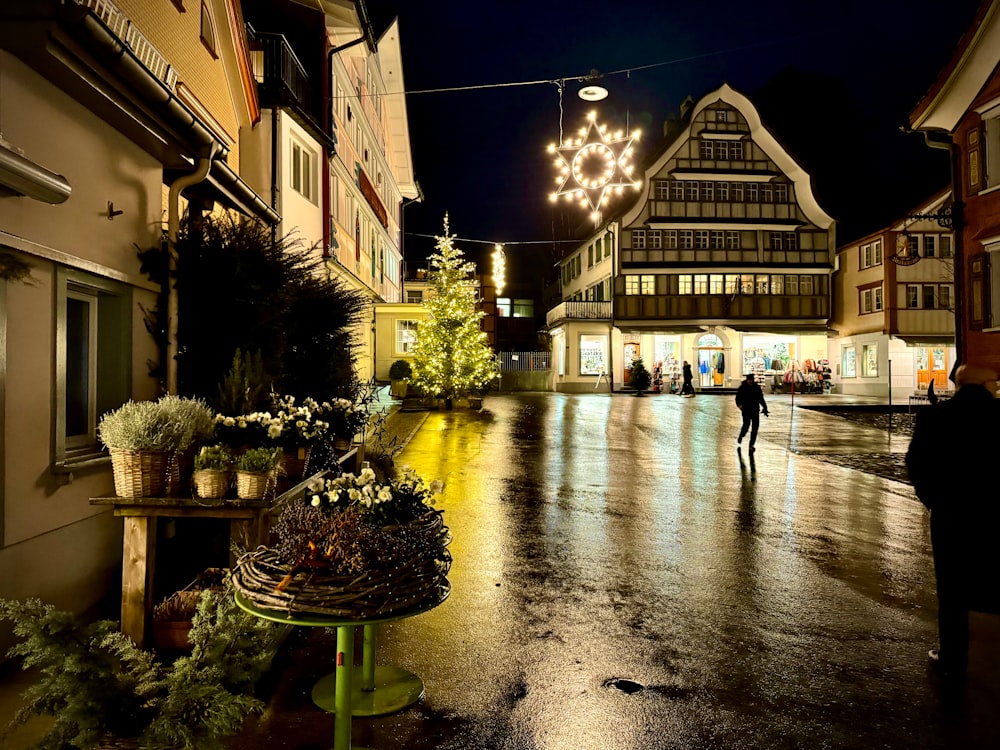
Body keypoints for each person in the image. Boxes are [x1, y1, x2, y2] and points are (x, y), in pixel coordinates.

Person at [906, 362, 1000, 678]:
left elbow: (916, 465)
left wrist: (935, 502)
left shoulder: (934, 417)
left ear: (958, 386)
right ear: (987, 385)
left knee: (951, 587)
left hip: (951, 515)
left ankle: (952, 654)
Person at [735, 373, 768, 451]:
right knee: (746, 425)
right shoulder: (742, 388)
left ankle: (751, 445)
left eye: (752, 380)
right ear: (747, 380)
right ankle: (741, 435)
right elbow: (737, 398)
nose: (751, 382)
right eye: (749, 380)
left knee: (755, 428)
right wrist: (739, 405)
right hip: (746, 410)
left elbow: (761, 398)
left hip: (755, 410)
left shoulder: (756, 388)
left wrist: (765, 407)